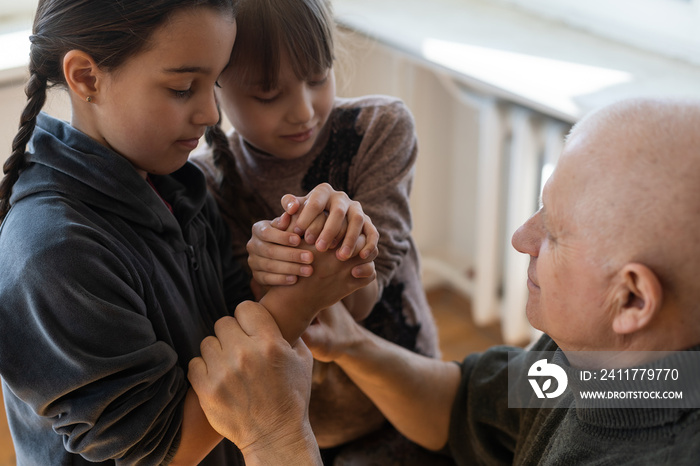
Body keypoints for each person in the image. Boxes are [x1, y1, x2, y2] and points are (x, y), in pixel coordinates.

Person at [188, 97, 700, 465]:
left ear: (633, 299)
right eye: (539, 207)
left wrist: (275, 439)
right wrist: (352, 345)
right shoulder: (628, 369)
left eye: (556, 230)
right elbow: (467, 407)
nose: (522, 237)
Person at [0, 1, 375, 464]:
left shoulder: (177, 186)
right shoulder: (55, 254)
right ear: (86, 77)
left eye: (214, 83)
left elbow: (236, 320)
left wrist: (297, 254)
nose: (211, 114)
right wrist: (297, 300)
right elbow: (165, 450)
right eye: (182, 88)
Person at [189, 0, 445, 462]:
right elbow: (257, 333)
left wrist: (343, 240)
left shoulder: (378, 128)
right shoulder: (204, 184)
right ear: (215, 86)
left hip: (409, 392)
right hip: (298, 429)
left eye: (318, 78)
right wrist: (267, 275)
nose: (304, 111)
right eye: (268, 95)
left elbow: (365, 301)